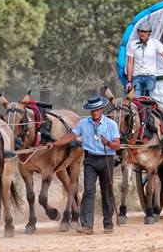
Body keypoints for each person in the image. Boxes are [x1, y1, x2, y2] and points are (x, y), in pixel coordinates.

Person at [47, 95, 121, 234]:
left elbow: (117, 145)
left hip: (106, 159)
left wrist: (108, 143)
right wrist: (55, 144)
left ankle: (108, 223)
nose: (94, 112)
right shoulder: (83, 123)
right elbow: (71, 136)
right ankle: (87, 225)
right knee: (88, 191)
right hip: (90, 160)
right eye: (92, 110)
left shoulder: (111, 125)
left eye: (96, 110)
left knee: (107, 192)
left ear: (101, 109)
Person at [125, 20, 163, 97]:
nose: (142, 33)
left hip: (150, 76)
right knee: (135, 100)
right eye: (141, 31)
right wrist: (129, 81)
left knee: (148, 100)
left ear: (149, 33)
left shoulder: (154, 43)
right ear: (138, 32)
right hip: (137, 76)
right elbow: (130, 63)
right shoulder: (132, 44)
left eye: (145, 32)